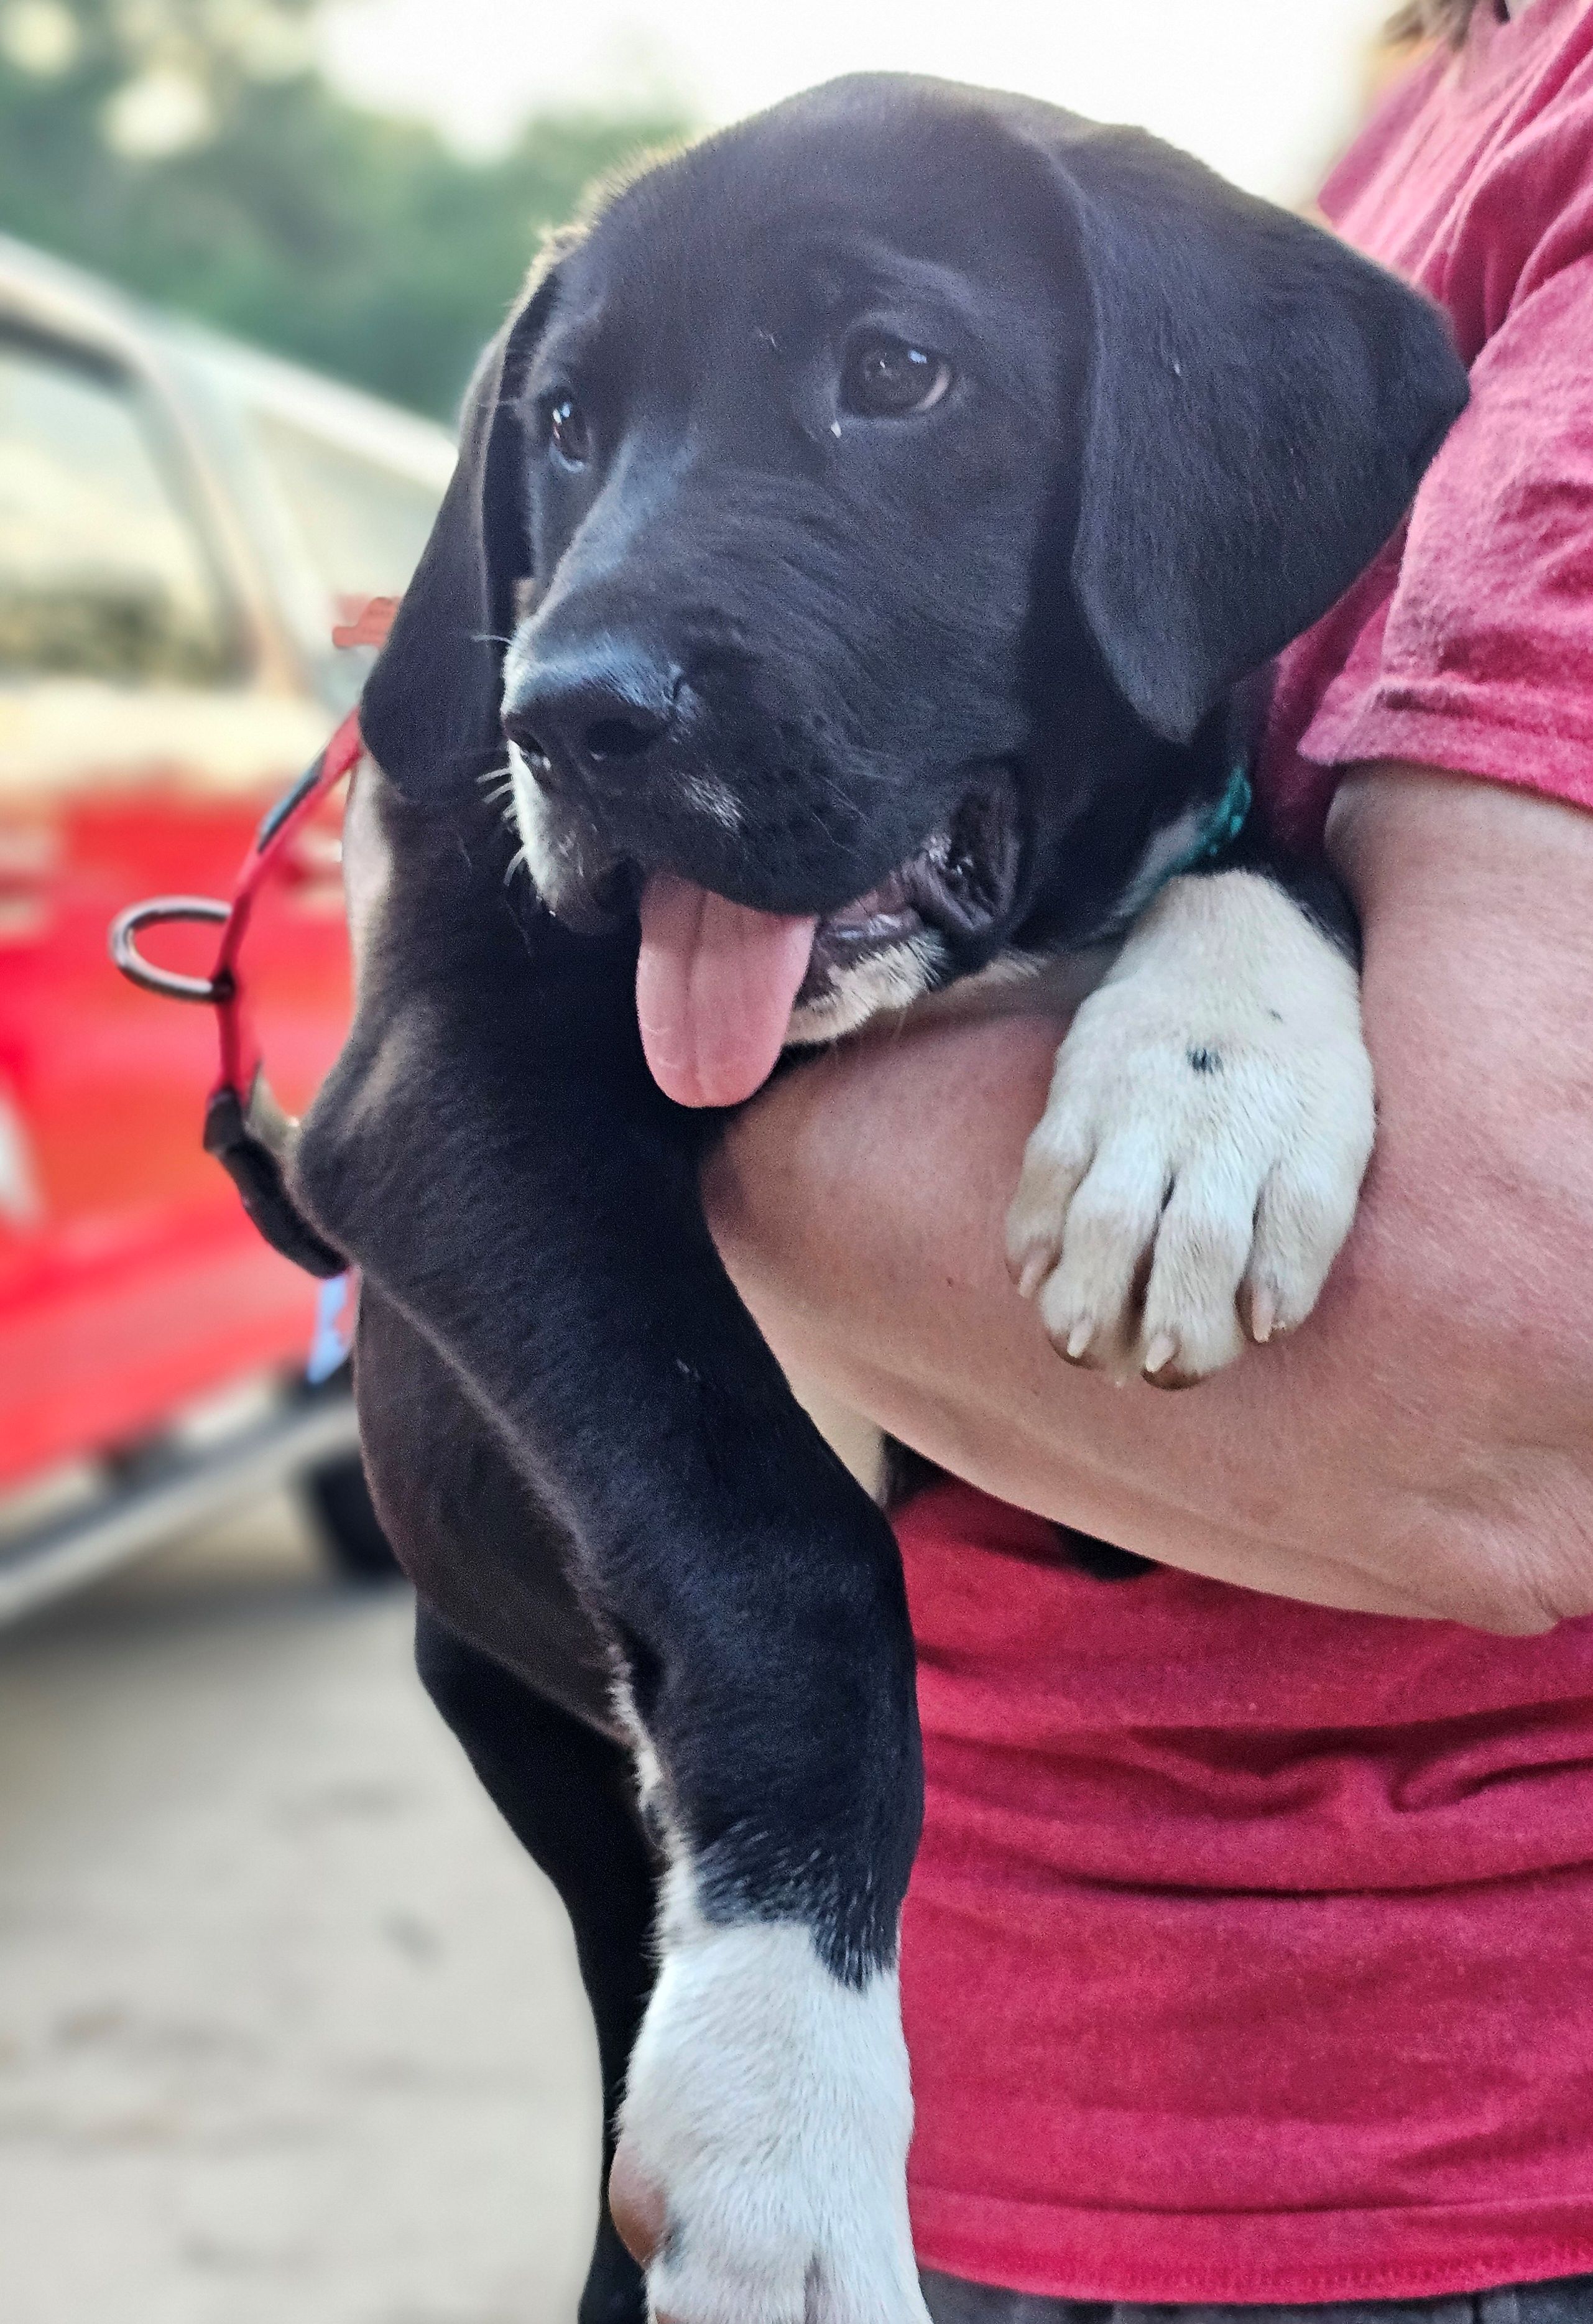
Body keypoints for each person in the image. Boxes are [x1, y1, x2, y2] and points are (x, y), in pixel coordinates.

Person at [702, 1, 1593, 2315]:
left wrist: (593, 1095)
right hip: (967, 2092)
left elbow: (1496, 1387)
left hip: (1405, 2172)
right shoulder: (1407, 129)